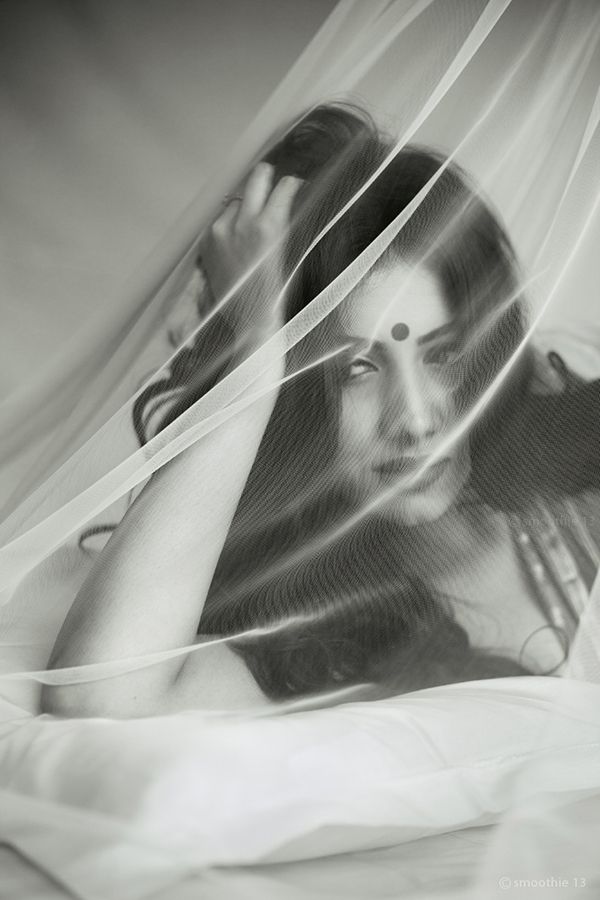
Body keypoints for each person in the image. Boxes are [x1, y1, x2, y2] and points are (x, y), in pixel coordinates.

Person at [40, 103, 600, 718]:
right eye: (357, 368)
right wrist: (257, 350)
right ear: (290, 397)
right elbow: (97, 692)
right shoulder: (313, 631)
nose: (414, 420)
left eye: (443, 355)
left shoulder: (580, 482)